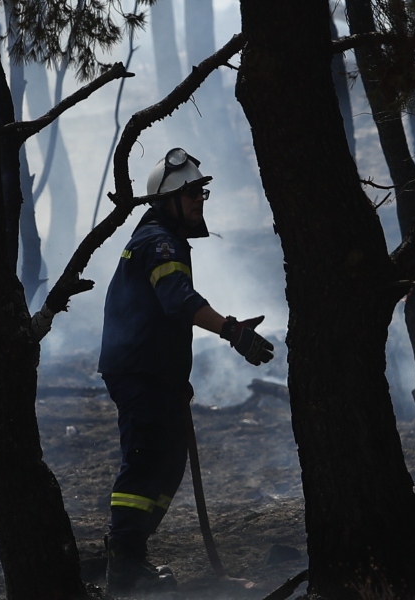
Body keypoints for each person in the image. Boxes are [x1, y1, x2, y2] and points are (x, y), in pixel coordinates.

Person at [98, 147, 274, 595]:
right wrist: (232, 331)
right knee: (144, 461)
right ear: (169, 199)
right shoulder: (158, 241)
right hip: (139, 372)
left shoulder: (161, 238)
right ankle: (124, 566)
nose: (200, 201)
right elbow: (176, 299)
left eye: (202, 192)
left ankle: (132, 556)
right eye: (192, 193)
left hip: (153, 372)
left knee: (167, 463)